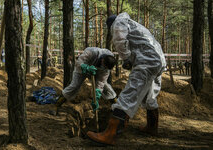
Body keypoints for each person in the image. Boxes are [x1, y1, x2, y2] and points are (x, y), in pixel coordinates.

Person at [87, 12, 166, 145]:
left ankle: (110, 134)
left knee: (129, 95)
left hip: (147, 61)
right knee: (149, 96)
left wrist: (126, 58)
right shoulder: (135, 26)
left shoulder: (118, 22)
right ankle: (152, 127)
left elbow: (119, 38)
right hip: (158, 60)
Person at [55, 47, 117, 112]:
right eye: (104, 66)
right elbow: (78, 63)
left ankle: (117, 107)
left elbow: (101, 81)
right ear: (102, 60)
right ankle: (57, 104)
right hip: (82, 69)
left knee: (106, 87)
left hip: (97, 72)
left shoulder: (106, 68)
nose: (104, 68)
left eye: (105, 68)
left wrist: (97, 96)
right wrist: (85, 67)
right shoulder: (92, 52)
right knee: (74, 86)